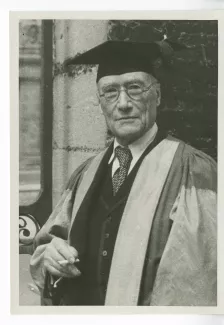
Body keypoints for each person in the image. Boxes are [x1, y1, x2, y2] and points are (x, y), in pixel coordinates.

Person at [30, 39, 217, 306]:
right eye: (110, 92)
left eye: (135, 88)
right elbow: (48, 244)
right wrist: (50, 256)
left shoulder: (193, 171)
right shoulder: (85, 173)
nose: (123, 103)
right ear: (100, 102)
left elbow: (197, 284)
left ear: (158, 95)